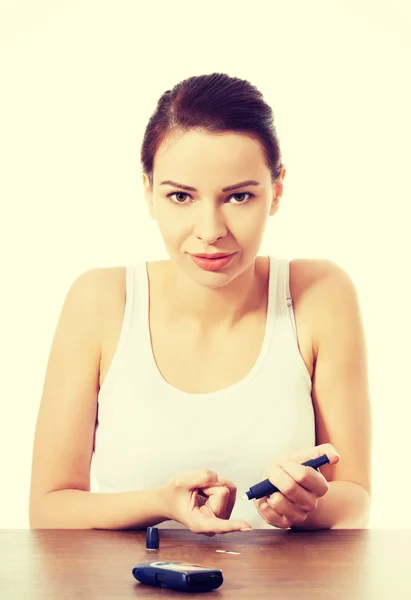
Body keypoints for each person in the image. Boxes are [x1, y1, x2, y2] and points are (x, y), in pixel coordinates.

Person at [29, 73, 372, 535]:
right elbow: (49, 508)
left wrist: (305, 504)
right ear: (149, 192)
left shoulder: (320, 294)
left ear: (278, 190)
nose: (210, 229)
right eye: (181, 196)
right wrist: (160, 504)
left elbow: (356, 498)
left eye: (239, 196)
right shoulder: (99, 301)